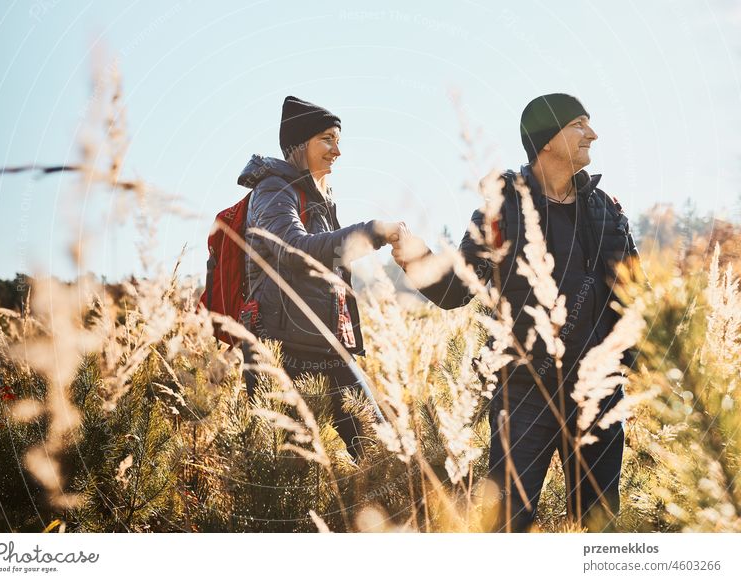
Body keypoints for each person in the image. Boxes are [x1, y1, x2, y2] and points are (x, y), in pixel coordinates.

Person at [390, 94, 643, 531]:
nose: (593, 134)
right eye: (579, 124)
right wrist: (413, 255)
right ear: (547, 141)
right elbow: (456, 288)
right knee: (508, 524)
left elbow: (633, 296)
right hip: (525, 394)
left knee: (599, 525)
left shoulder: (604, 209)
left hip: (598, 393)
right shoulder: (503, 207)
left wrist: (628, 368)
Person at [238, 95, 402, 461]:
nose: (337, 151)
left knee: (380, 453)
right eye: (327, 139)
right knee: (281, 473)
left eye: (338, 140)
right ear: (298, 145)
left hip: (327, 349)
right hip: (278, 351)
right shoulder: (274, 191)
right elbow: (294, 249)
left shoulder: (320, 199)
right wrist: (371, 232)